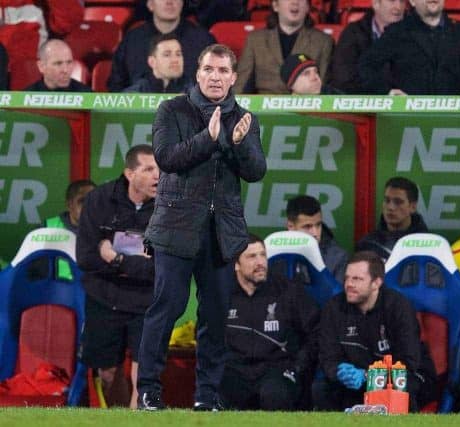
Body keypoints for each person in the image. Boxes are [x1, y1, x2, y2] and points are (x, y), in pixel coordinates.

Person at [136, 44, 267, 411]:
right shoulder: (172, 110)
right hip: (175, 229)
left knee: (214, 316)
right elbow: (167, 158)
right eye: (209, 69)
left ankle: (207, 397)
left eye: (223, 71)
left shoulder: (244, 119)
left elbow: (256, 171)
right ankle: (148, 391)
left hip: (220, 234)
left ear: (232, 77)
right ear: (197, 73)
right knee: (167, 308)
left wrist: (239, 144)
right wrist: (207, 140)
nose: (215, 77)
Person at [76, 145, 158, 408]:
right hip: (104, 299)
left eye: (161, 169)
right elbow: (87, 258)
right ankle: (120, 418)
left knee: (141, 373)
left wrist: (116, 258)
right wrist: (137, 264)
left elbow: (160, 268)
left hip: (146, 302)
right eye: (149, 169)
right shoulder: (99, 200)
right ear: (129, 173)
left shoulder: (168, 206)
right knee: (108, 374)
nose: (158, 176)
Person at [314, 251, 436, 411]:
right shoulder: (334, 308)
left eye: (357, 279)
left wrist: (368, 375)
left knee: (402, 387)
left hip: (402, 376)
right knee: (321, 389)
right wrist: (338, 371)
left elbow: (409, 362)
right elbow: (328, 357)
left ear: (376, 283)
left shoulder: (398, 307)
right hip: (357, 380)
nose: (349, 284)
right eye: (347, 278)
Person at [219, 234, 320, 410]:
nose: (260, 262)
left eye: (262, 255)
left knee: (273, 394)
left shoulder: (288, 290)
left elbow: (316, 333)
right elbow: (207, 337)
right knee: (216, 393)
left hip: (277, 369)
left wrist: (298, 367)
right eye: (252, 256)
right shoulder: (222, 295)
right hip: (235, 371)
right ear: (236, 264)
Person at [358, 0, 460, 95]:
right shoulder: (397, 31)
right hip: (409, 117)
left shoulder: (458, 30)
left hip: (451, 117)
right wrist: (386, 92)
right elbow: (367, 65)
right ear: (412, 1)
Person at [108, 0, 215, 92]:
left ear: (182, 3)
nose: (169, 2)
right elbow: (116, 87)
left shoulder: (204, 41)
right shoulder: (132, 40)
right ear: (150, 4)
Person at [233, 0, 334, 94]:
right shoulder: (255, 39)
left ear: (308, 7)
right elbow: (241, 84)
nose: (295, 3)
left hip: (306, 109)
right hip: (266, 109)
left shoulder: (323, 42)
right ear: (275, 5)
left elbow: (324, 86)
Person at [329, 0, 406, 94]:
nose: (398, 7)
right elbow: (343, 78)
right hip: (362, 103)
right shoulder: (353, 33)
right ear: (376, 3)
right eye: (392, 1)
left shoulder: (414, 34)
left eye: (402, 1)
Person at [356, 177, 428, 262]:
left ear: (413, 207)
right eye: (387, 200)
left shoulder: (430, 245)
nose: (391, 207)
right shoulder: (368, 245)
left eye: (398, 202)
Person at [286, 195, 348, 285]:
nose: (315, 233)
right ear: (291, 226)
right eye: (307, 227)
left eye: (318, 225)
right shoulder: (275, 255)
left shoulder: (337, 258)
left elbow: (336, 297)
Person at [124, 34, 191, 93]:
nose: (175, 60)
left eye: (178, 54)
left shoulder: (193, 94)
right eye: (167, 55)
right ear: (152, 62)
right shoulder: (133, 94)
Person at [26, 39, 91, 92]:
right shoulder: (25, 98)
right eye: (58, 63)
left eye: (69, 62)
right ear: (41, 66)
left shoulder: (87, 95)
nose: (65, 70)